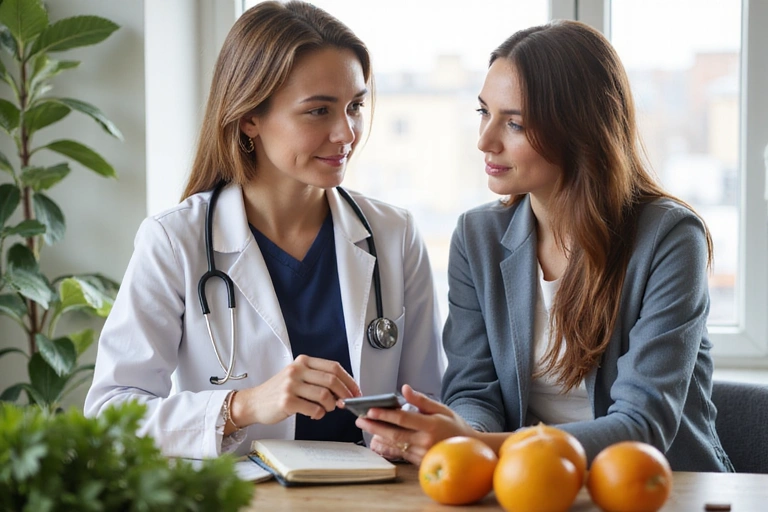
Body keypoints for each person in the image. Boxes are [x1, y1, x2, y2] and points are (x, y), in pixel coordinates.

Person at [355, 19, 733, 472]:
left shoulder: (670, 238)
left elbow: (641, 426)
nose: (484, 141)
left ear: (580, 130)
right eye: (483, 112)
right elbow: (474, 392)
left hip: (657, 486)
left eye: (514, 123)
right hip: (532, 485)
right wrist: (455, 434)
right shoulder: (477, 237)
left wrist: (478, 445)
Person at [84, 0, 443, 459]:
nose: (347, 133)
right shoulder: (174, 241)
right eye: (319, 111)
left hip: (373, 489)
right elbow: (109, 413)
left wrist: (411, 432)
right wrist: (243, 406)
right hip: (240, 491)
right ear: (250, 117)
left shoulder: (395, 234)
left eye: (355, 106)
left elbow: (427, 400)